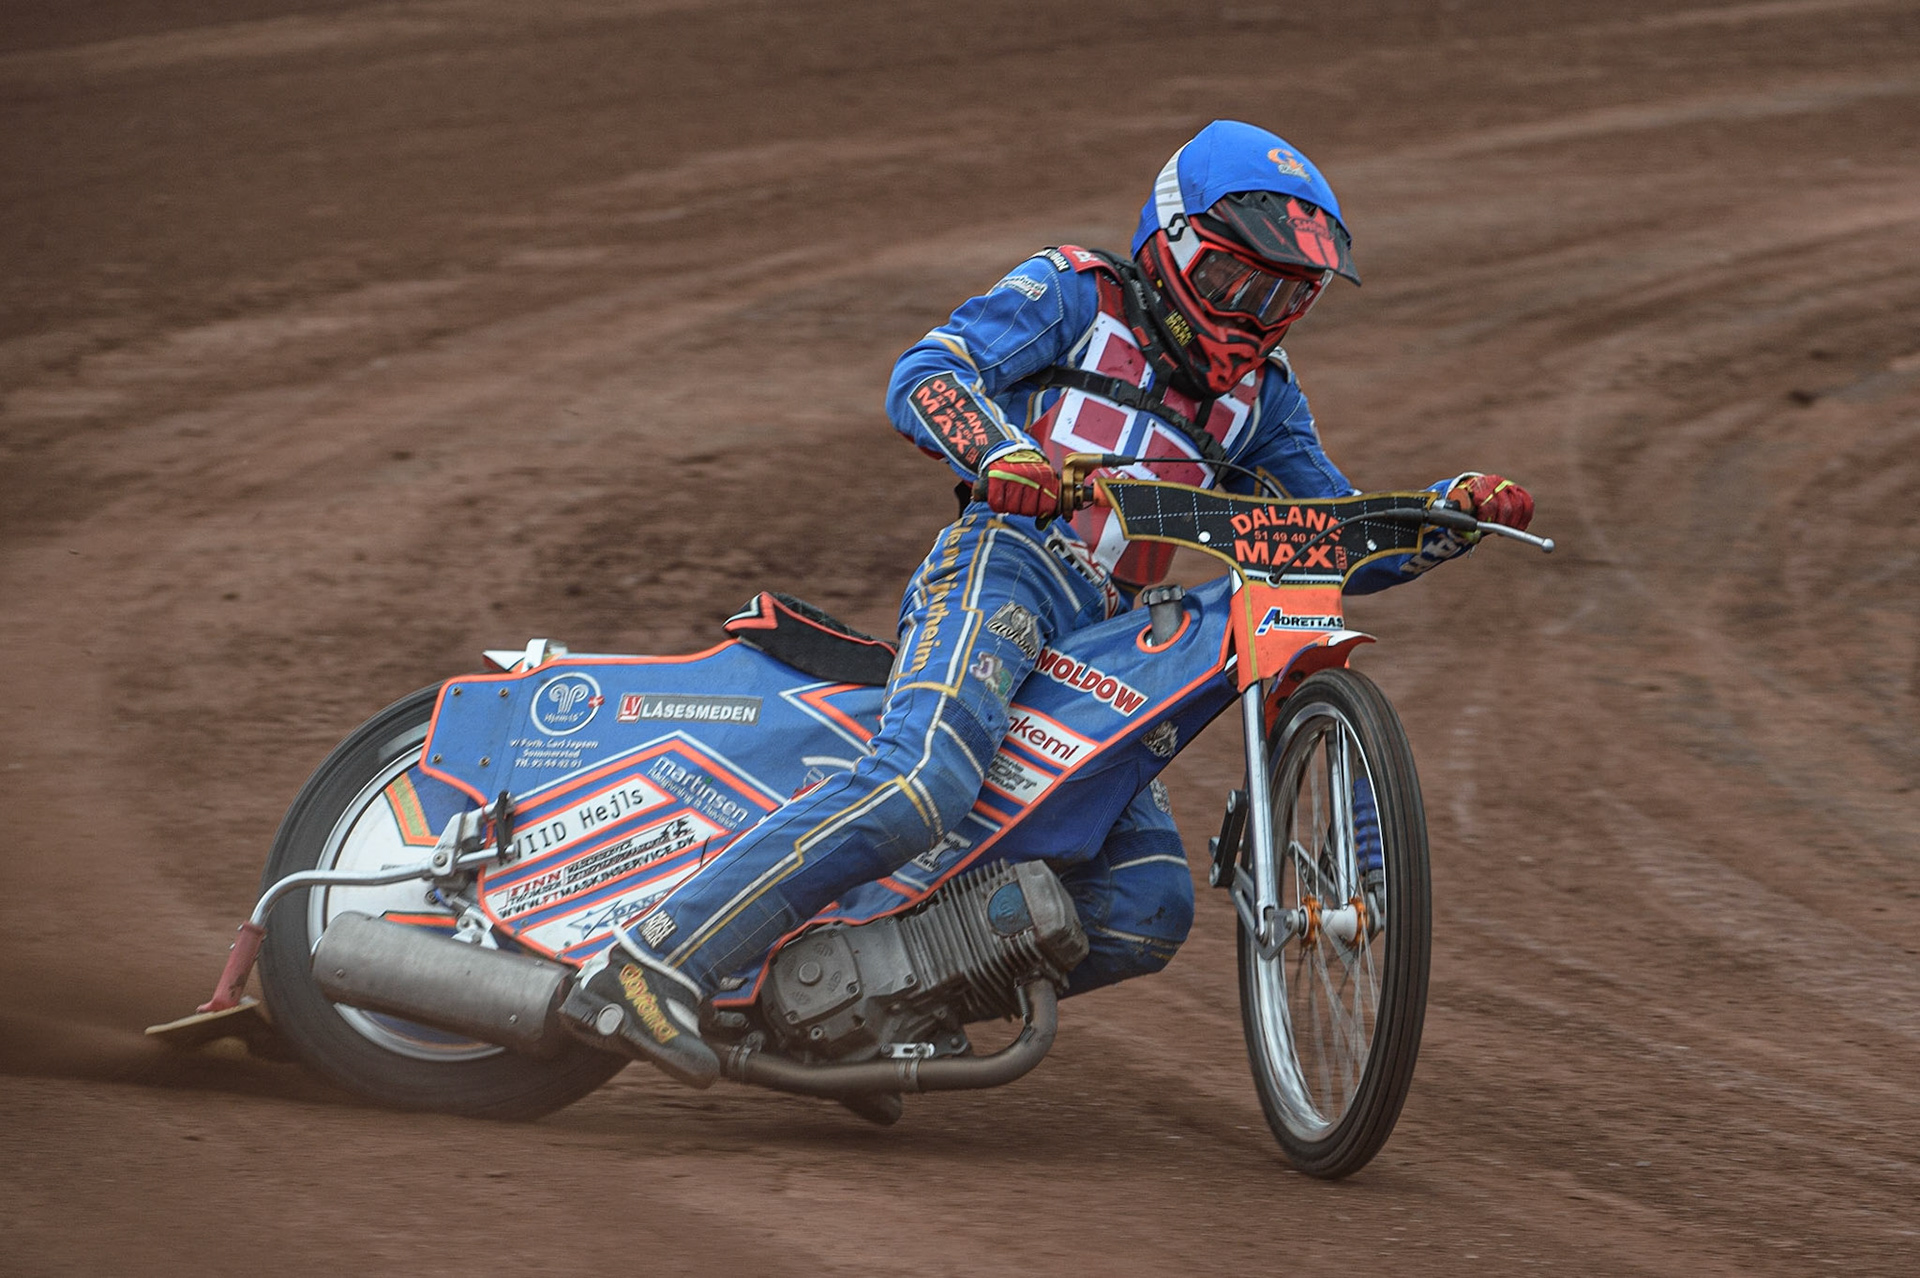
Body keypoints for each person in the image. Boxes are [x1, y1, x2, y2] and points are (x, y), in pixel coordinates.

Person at [559, 119, 1534, 1088]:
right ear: (1176, 246)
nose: (1258, 314)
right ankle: (648, 962)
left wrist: (1442, 518)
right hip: (1010, 563)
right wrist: (1001, 453)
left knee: (1146, 905)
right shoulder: (1078, 292)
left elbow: (1327, 540)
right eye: (1241, 283)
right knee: (920, 785)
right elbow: (929, 374)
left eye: (1287, 295)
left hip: (1115, 637)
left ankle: (862, 1012)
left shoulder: (1264, 403)